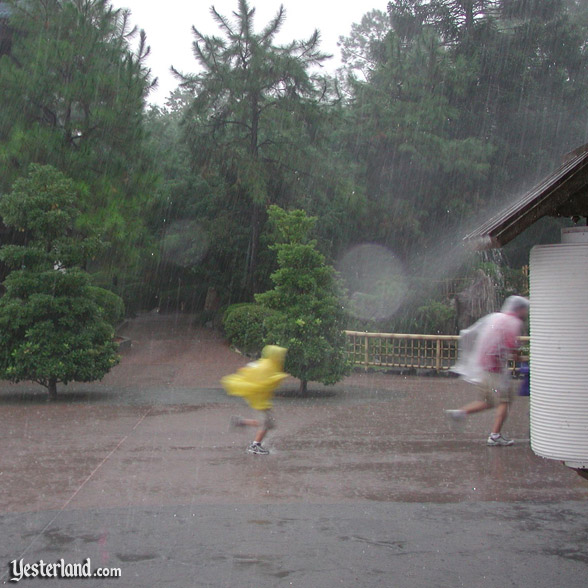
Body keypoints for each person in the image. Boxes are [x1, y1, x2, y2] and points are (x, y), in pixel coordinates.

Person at [445, 295, 530, 446]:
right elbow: (511, 346)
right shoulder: (513, 322)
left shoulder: (496, 318)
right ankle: (495, 435)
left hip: (485, 365)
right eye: (525, 309)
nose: (526, 312)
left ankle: (460, 413)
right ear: (520, 309)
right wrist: (521, 358)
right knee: (505, 400)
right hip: (495, 368)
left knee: (489, 401)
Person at [221, 345, 288, 455]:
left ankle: (240, 422)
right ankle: (255, 445)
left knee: (269, 423)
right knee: (265, 423)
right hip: (260, 401)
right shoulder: (266, 366)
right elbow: (263, 380)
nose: (281, 358)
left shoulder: (266, 364)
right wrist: (276, 378)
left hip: (261, 400)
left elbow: (250, 369)